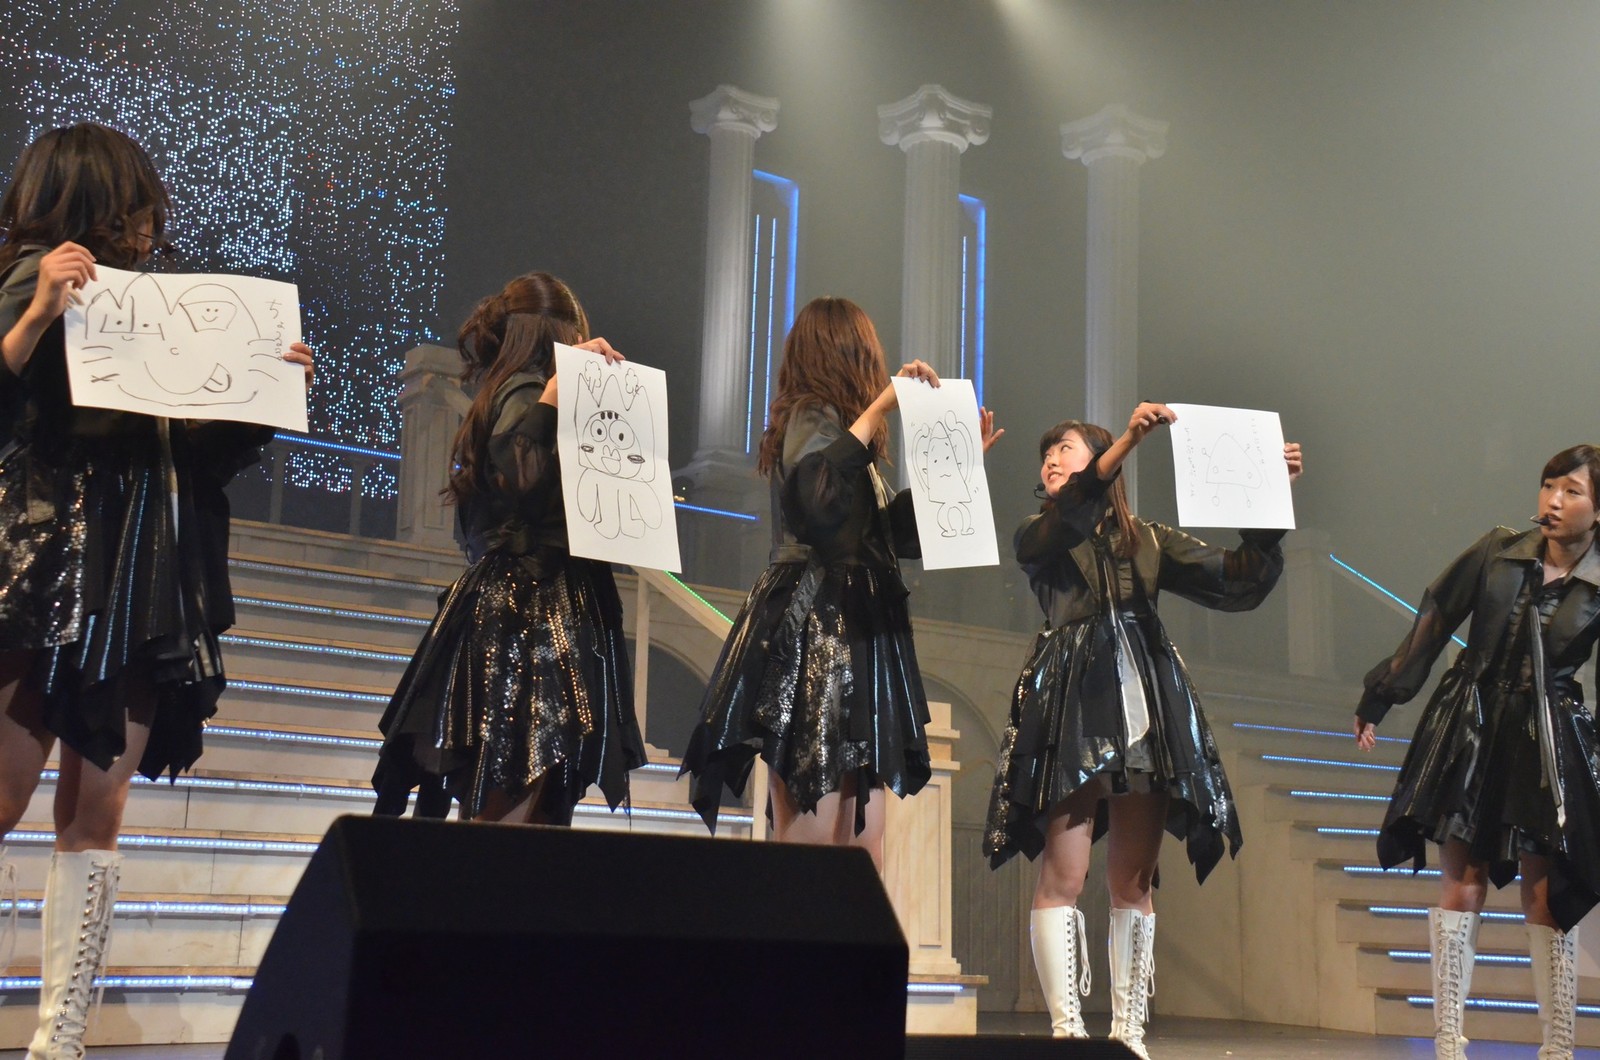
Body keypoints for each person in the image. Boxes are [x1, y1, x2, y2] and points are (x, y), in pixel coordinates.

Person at [0, 122, 315, 1059]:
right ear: (89, 200)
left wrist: (261, 396)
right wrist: (35, 315)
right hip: (40, 568)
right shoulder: (26, 283)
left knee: (97, 812)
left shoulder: (164, 307)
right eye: (134, 205)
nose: (149, 224)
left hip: (141, 578)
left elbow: (197, 459)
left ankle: (60, 1040)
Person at [985, 405, 1303, 1058]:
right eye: (1047, 453)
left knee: (1133, 881)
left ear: (1099, 459)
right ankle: (1066, 1030)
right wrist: (1130, 438)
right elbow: (1072, 513)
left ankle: (1128, 1034)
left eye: (1065, 447)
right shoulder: (1039, 533)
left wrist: (1268, 497)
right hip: (1075, 700)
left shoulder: (1149, 541)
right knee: (1064, 873)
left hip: (1145, 699)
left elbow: (1239, 576)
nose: (1051, 458)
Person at [681, 296, 999, 869]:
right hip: (817, 632)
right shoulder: (809, 418)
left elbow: (896, 539)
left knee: (861, 847)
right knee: (814, 834)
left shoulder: (856, 451)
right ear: (849, 353)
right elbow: (818, 502)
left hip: (858, 633)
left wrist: (961, 472)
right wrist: (879, 407)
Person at [373, 272, 645, 826]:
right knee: (516, 784)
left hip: (534, 603)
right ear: (558, 333)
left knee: (520, 794)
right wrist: (557, 393)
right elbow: (521, 476)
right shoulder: (527, 390)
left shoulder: (513, 389)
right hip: (530, 611)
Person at [1355, 444, 1600, 1060]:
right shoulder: (1499, 550)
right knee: (1462, 881)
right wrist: (1382, 694)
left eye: (1571, 491)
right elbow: (1435, 618)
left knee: (1545, 895)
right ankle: (1447, 1041)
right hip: (1472, 723)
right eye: (1548, 485)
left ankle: (1558, 1046)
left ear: (1598, 509)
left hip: (1545, 736)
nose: (1553, 500)